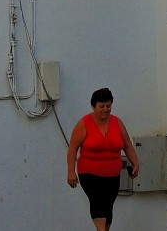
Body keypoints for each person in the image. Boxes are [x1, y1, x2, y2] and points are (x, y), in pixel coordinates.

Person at [67, 88, 140, 231]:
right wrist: (71, 171)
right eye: (102, 106)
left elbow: (127, 145)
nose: (105, 109)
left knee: (108, 207)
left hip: (112, 175)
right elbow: (72, 149)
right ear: (93, 107)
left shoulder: (117, 122)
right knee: (97, 202)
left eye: (108, 106)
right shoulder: (84, 123)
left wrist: (135, 162)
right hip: (89, 173)